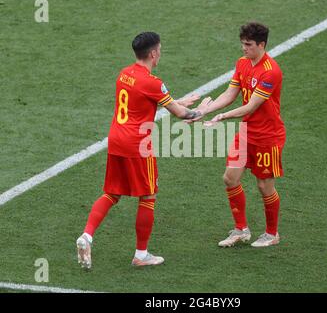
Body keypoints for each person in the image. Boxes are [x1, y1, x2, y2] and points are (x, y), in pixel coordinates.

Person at [76, 32, 211, 268]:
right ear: (153, 53)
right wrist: (202, 111)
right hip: (138, 145)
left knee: (112, 193)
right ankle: (141, 254)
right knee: (148, 195)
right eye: (159, 50)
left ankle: (86, 235)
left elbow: (143, 101)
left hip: (116, 140)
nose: (160, 54)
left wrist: (177, 101)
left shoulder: (124, 74)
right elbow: (180, 115)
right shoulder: (153, 82)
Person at [193, 22, 286, 248]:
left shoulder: (270, 71)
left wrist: (222, 117)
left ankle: (272, 234)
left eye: (248, 44)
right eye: (242, 43)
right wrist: (205, 110)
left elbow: (251, 106)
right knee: (230, 178)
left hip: (267, 136)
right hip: (247, 133)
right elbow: (230, 93)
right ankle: (241, 229)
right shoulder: (242, 63)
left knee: (265, 186)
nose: (243, 48)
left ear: (261, 45)